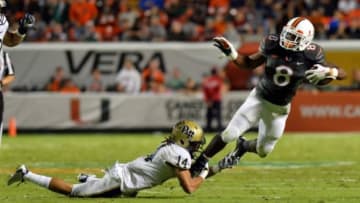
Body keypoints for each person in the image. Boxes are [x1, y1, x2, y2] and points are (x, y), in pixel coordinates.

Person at [191, 17, 347, 175]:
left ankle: (243, 147)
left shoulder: (312, 54)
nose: (287, 39)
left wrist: (331, 72)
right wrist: (232, 54)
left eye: (294, 37)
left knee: (264, 150)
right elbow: (248, 63)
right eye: (287, 34)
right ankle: (201, 161)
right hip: (259, 98)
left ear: (306, 39)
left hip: (280, 108)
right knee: (230, 133)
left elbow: (342, 73)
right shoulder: (273, 43)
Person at [8, 120, 210, 197]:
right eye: (194, 143)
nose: (196, 147)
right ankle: (27, 174)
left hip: (124, 175)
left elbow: (186, 175)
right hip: (121, 180)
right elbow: (189, 187)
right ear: (184, 141)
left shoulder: (170, 147)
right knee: (73, 192)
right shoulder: (179, 154)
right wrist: (206, 172)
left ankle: (91, 180)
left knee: (125, 195)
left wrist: (209, 169)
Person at [202, 67, 224, 132]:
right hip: (216, 99)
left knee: (209, 115)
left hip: (209, 101)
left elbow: (205, 91)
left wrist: (208, 100)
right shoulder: (218, 80)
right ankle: (219, 128)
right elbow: (218, 90)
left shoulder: (207, 81)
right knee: (218, 115)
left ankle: (208, 128)